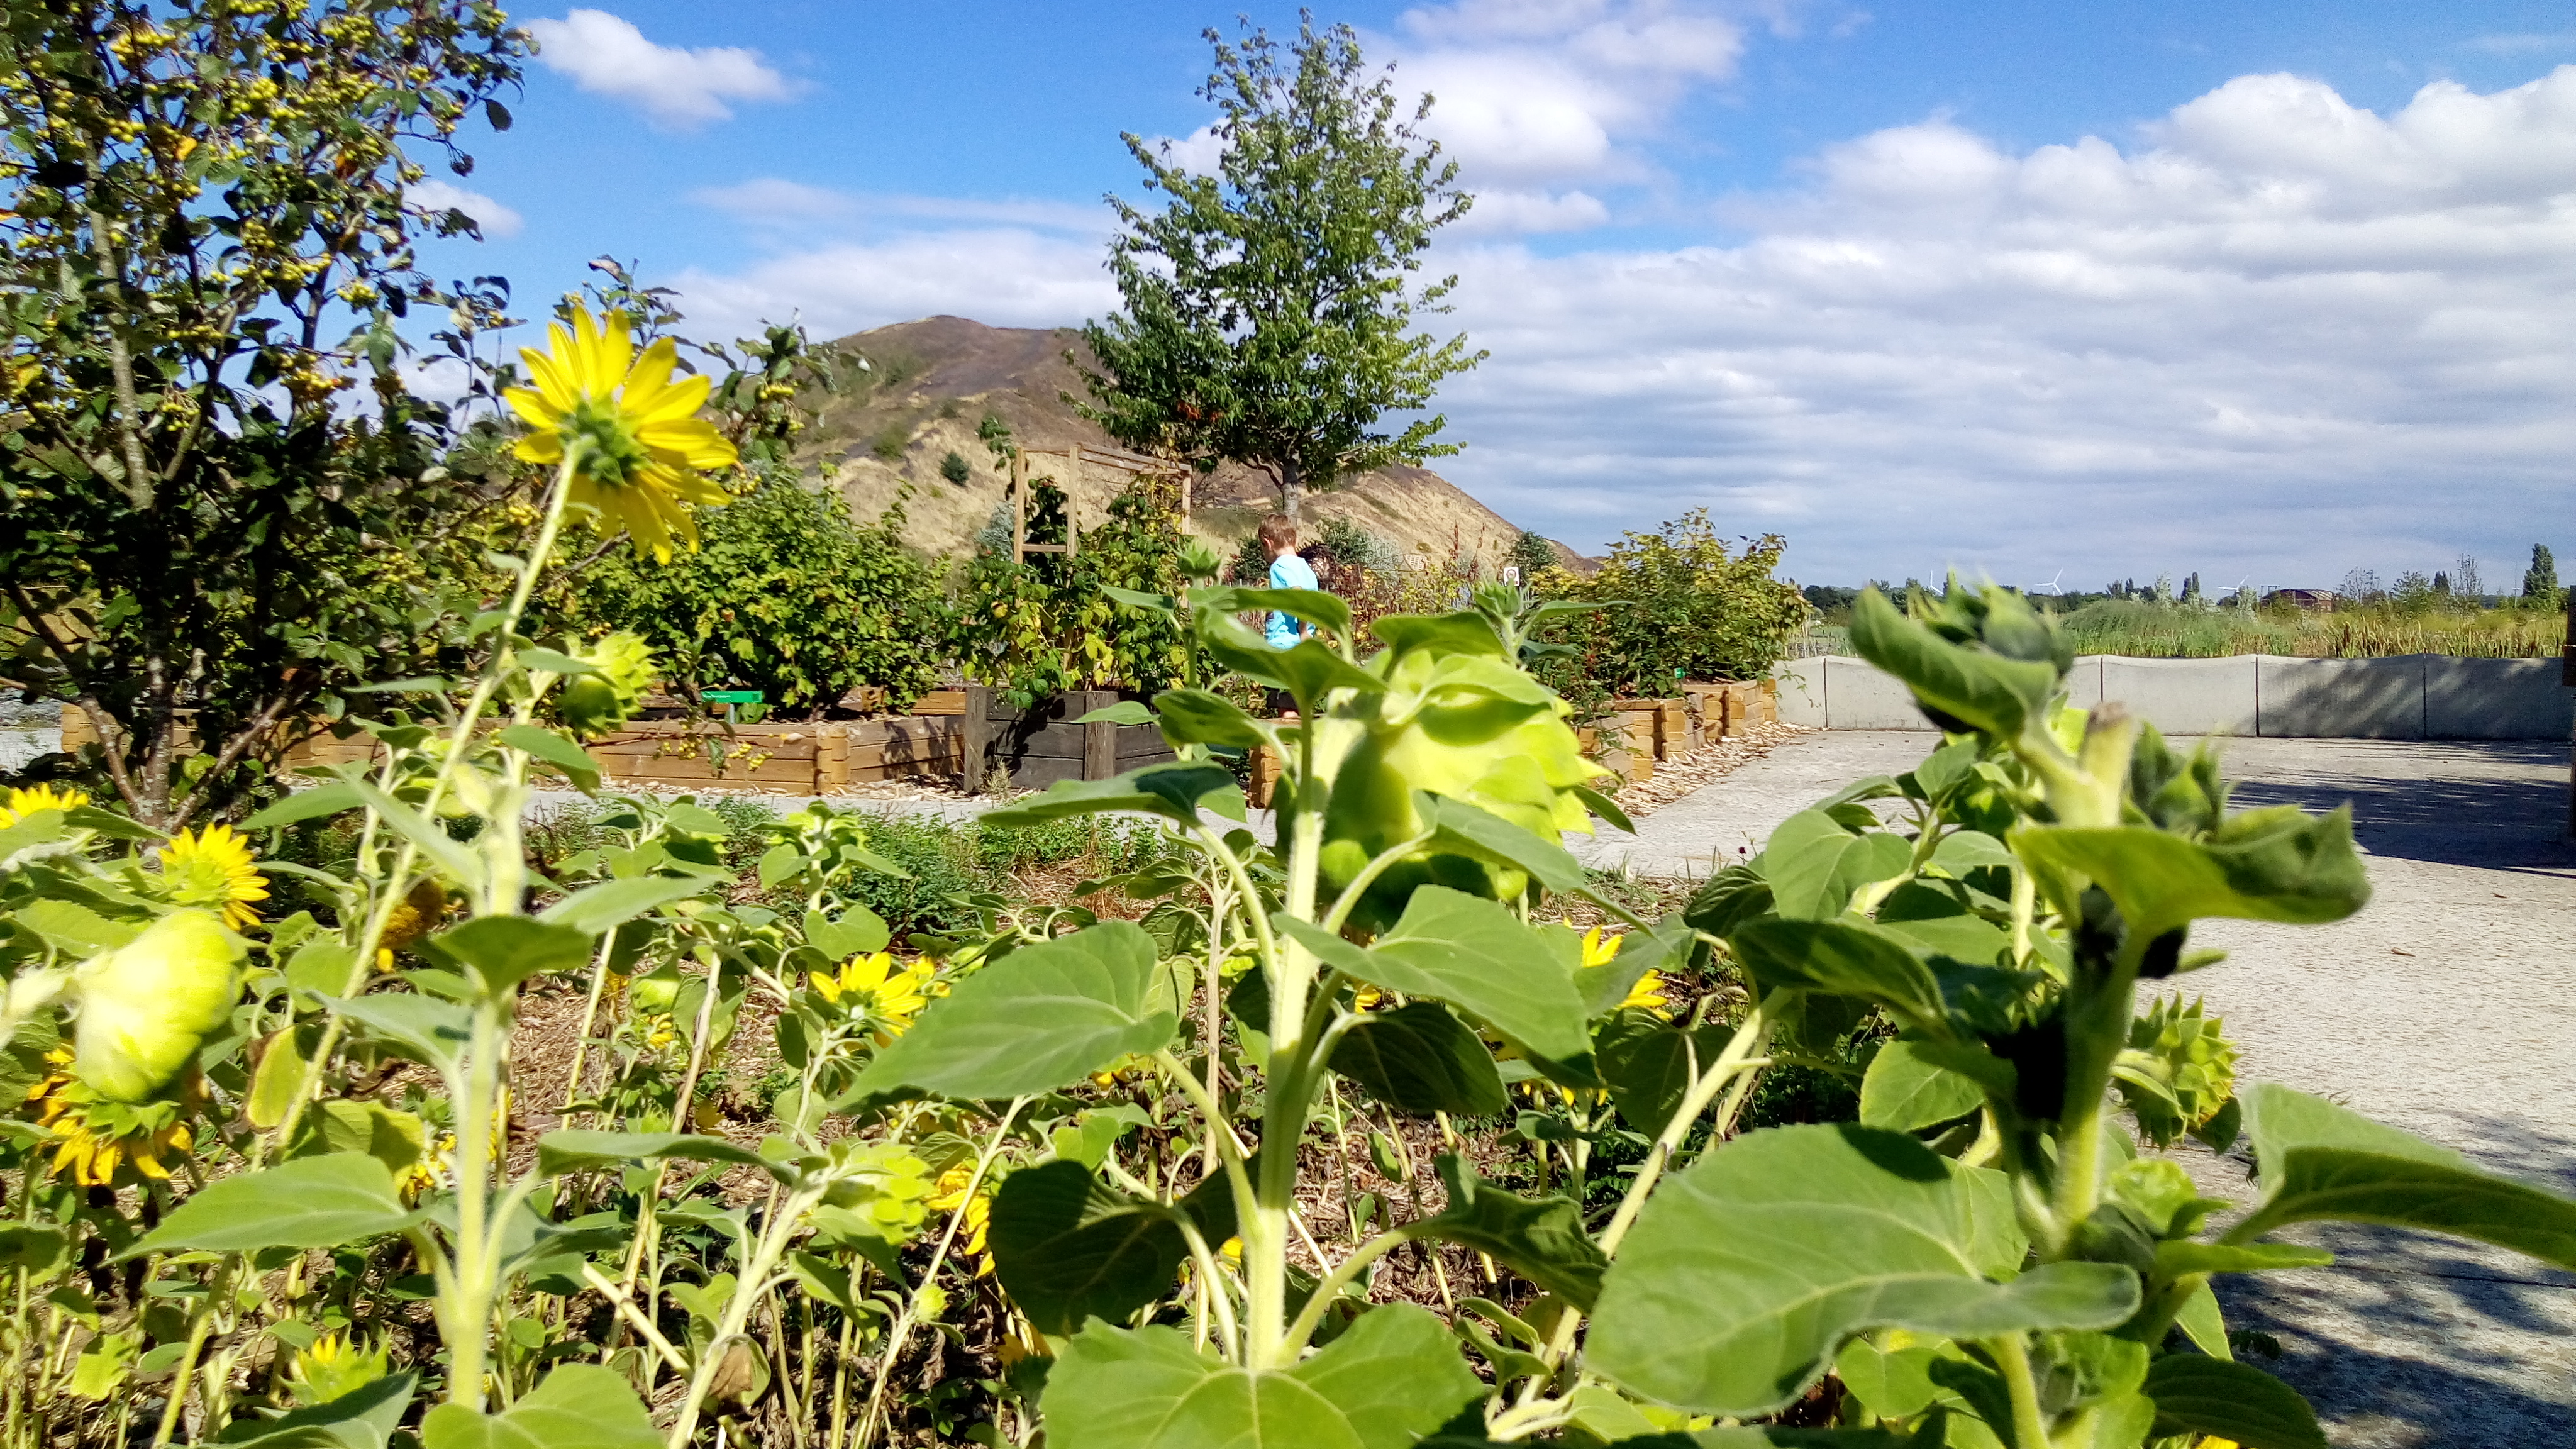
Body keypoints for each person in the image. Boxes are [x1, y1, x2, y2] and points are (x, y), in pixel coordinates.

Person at [1258, 513, 1319, 717]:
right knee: (1298, 707)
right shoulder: (1306, 568)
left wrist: (1302, 629)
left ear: (1268, 543)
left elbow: (1298, 595)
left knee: (1287, 713)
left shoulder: (1279, 567)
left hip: (1284, 648)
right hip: (1303, 651)